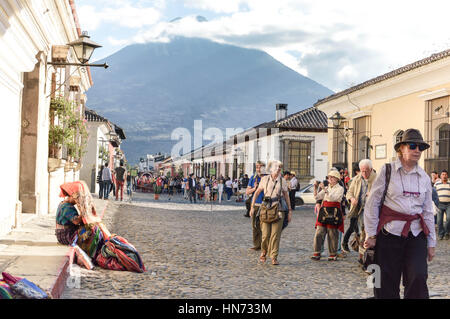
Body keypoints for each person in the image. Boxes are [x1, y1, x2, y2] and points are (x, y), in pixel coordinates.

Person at [364, 128, 436, 299]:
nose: (417, 150)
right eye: (412, 146)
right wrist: (371, 234)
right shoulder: (387, 171)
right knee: (386, 281)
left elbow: (427, 212)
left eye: (420, 147)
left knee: (418, 276)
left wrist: (431, 242)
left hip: (416, 234)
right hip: (390, 233)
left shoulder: (424, 177)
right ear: (401, 148)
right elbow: (372, 203)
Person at [56, 181, 145, 273]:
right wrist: (84, 212)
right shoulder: (66, 207)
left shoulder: (65, 205)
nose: (77, 201)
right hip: (67, 236)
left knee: (93, 229)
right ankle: (92, 255)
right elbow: (76, 221)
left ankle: (94, 252)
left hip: (67, 233)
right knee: (93, 231)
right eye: (77, 199)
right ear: (72, 196)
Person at [250, 160, 291, 265]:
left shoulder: (282, 181)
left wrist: (289, 211)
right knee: (265, 235)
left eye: (280, 167)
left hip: (278, 209)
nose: (278, 169)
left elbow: (286, 196)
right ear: (271, 168)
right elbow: (256, 193)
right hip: (265, 209)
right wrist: (252, 207)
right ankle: (264, 251)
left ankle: (274, 256)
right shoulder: (264, 179)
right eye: (276, 167)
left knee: (275, 235)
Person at [343, 159, 377, 267]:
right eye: (362, 171)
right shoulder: (357, 179)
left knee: (370, 234)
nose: (364, 173)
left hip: (373, 211)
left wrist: (372, 194)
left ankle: (371, 258)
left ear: (371, 169)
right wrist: (352, 199)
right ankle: (362, 258)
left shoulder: (377, 179)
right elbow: (349, 193)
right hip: (359, 211)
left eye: (366, 171)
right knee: (362, 234)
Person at [311, 170, 345, 261]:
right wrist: (315, 188)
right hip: (324, 211)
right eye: (329, 177)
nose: (329, 179)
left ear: (337, 179)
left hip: (334, 211)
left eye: (332, 177)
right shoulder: (327, 187)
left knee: (332, 233)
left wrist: (325, 190)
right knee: (319, 231)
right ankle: (317, 252)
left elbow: (334, 198)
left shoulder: (340, 188)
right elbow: (317, 197)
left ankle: (333, 253)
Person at [246, 161, 266, 247]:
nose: (258, 169)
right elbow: (247, 192)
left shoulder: (267, 177)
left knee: (265, 226)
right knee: (255, 226)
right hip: (256, 204)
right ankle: (257, 245)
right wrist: (255, 188)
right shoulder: (253, 178)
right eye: (257, 167)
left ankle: (265, 245)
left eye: (260, 167)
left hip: (265, 205)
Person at [434, 170, 450, 240]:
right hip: (439, 204)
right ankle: (441, 234)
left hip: (449, 204)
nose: (444, 176)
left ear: (447, 176)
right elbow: (433, 194)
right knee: (439, 221)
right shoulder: (437, 184)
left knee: (449, 218)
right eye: (443, 174)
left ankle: (447, 233)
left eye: (445, 174)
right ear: (440, 176)